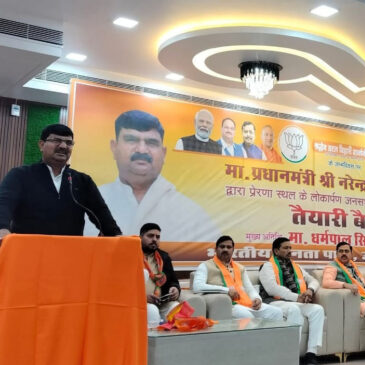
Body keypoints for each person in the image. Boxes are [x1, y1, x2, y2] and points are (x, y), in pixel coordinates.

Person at [85, 110, 219, 241]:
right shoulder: (90, 203)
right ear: (114, 148)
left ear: (163, 154)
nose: (142, 150)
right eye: (131, 140)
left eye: (151, 142)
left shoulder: (192, 213)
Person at [0, 124, 121, 239]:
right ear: (41, 145)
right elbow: (3, 204)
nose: (63, 146)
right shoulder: (20, 175)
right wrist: (2, 229)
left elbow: (101, 213)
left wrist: (115, 235)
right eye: (56, 140)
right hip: (28, 249)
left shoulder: (83, 181)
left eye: (69, 143)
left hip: (70, 250)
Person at [259, 237, 324, 365]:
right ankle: (292, 358)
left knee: (318, 309)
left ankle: (311, 354)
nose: (289, 251)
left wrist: (310, 290)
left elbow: (313, 280)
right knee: (294, 309)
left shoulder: (295, 266)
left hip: (295, 301)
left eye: (290, 248)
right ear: (276, 251)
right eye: (285, 248)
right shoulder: (267, 266)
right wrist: (297, 297)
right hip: (274, 302)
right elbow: (272, 289)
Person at [192, 235, 283, 321]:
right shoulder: (205, 265)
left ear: (233, 250)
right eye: (222, 247)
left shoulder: (240, 267)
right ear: (216, 249)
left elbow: (249, 289)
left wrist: (257, 298)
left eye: (228, 247)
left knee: (276, 312)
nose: (225, 249)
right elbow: (197, 287)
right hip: (231, 305)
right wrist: (226, 290)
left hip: (247, 303)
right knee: (246, 316)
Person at [140, 223, 180, 324]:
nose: (154, 239)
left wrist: (175, 289)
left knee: (177, 308)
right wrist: (143, 297)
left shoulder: (164, 257)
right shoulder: (131, 255)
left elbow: (174, 281)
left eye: (157, 237)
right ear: (140, 237)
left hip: (161, 302)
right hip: (139, 302)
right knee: (152, 310)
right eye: (150, 236)